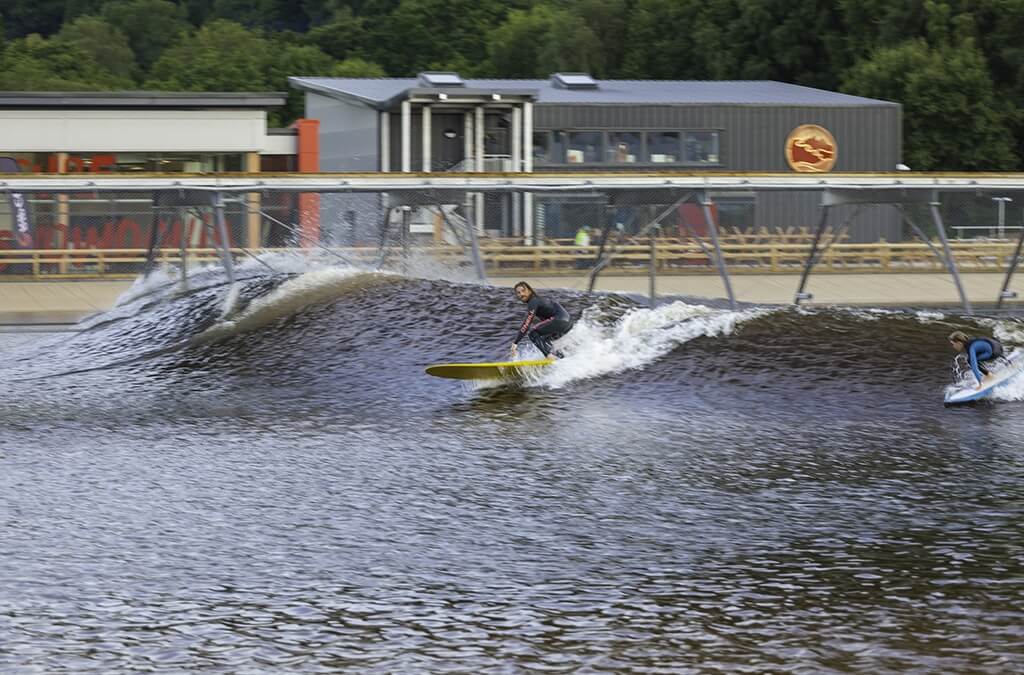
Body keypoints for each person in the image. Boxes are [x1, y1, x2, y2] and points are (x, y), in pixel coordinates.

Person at [510, 281, 573, 359]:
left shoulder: (533, 301)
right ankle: (561, 357)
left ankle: (549, 356)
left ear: (529, 290)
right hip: (568, 323)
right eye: (518, 293)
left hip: (559, 320)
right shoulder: (540, 300)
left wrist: (515, 343)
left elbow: (527, 323)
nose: (521, 294)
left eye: (523, 291)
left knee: (533, 333)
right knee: (545, 340)